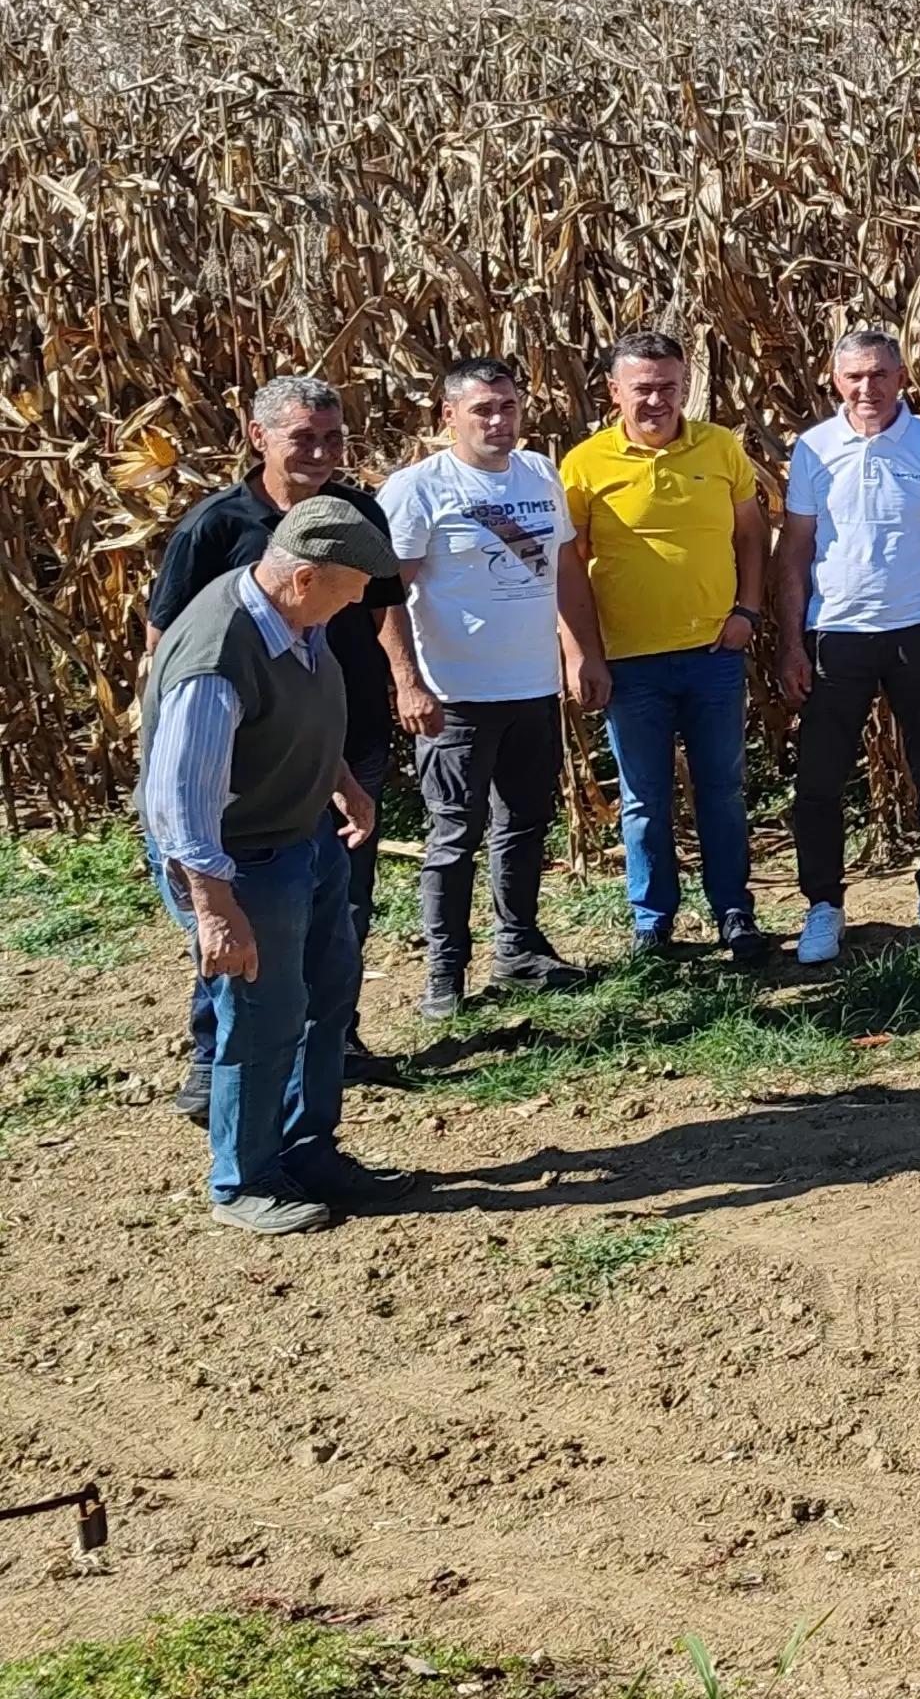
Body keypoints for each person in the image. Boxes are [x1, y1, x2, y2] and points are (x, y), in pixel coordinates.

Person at [139, 495, 400, 1234]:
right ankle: (244, 1177)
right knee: (260, 1015)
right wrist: (217, 910)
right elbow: (180, 800)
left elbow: (302, 714)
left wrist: (341, 783)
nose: (358, 605)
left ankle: (307, 1147)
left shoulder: (294, 616)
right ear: (309, 576)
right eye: (352, 590)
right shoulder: (219, 652)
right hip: (238, 858)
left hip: (300, 836)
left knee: (325, 994)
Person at [144, 375, 403, 1109]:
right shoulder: (216, 527)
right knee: (237, 908)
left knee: (337, 903)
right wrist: (179, 742)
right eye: (303, 437)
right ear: (259, 436)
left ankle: (332, 1038)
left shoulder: (355, 514)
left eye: (333, 437)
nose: (321, 451)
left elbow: (385, 612)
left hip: (340, 741)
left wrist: (405, 684)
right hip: (247, 760)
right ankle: (215, 1055)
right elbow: (170, 640)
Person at [376, 355, 604, 1024]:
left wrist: (580, 651)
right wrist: (407, 681)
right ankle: (446, 969)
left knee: (525, 824)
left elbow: (563, 567)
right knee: (454, 833)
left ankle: (518, 949)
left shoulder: (538, 473)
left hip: (530, 687)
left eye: (508, 406)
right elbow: (389, 592)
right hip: (457, 696)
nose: (499, 420)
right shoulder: (419, 489)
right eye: (483, 409)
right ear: (448, 415)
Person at [558, 327, 774, 969]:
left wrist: (748, 611)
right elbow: (567, 563)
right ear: (614, 391)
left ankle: (734, 912)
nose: (658, 401)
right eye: (643, 389)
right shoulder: (585, 464)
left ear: (686, 387)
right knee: (644, 797)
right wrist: (582, 653)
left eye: (670, 389)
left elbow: (750, 532)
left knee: (722, 789)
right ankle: (653, 922)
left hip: (713, 653)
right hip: (629, 661)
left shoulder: (719, 448)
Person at [774, 325, 920, 967]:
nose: (868, 387)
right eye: (855, 376)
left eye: (880, 374)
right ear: (836, 380)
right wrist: (790, 643)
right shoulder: (812, 450)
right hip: (835, 634)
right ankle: (823, 906)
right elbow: (796, 550)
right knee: (819, 780)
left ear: (902, 378)